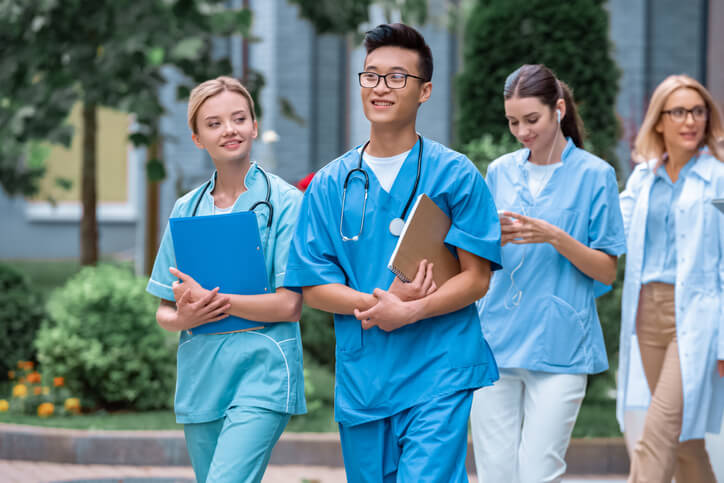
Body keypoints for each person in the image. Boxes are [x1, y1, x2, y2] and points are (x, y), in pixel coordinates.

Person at [283, 23, 502, 482]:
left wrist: (414, 310)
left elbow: (476, 278)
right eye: (371, 76)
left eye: (397, 77)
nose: (381, 88)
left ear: (425, 91)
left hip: (439, 368)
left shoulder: (455, 176)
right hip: (366, 378)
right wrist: (381, 304)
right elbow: (314, 287)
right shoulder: (329, 184)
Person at [469, 64, 626, 483]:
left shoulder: (596, 175)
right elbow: (478, 256)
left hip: (561, 345)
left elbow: (607, 270)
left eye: (531, 119)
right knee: (496, 472)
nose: (522, 131)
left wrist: (556, 236)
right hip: (497, 339)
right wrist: (489, 236)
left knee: (540, 471)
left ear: (558, 109)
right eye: (513, 122)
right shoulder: (500, 170)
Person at [145, 76, 306, 483]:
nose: (229, 129)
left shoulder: (286, 202)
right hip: (202, 378)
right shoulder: (186, 209)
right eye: (214, 123)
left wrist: (216, 303)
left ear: (254, 125)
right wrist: (184, 317)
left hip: (263, 370)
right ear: (197, 138)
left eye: (239, 118)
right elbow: (165, 310)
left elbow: (290, 304)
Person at [617, 74, 724, 483]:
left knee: (658, 431)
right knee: (685, 442)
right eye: (678, 111)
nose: (690, 120)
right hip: (648, 315)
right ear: (659, 121)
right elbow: (612, 231)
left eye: (698, 111)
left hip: (695, 318)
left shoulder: (718, 178)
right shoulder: (643, 179)